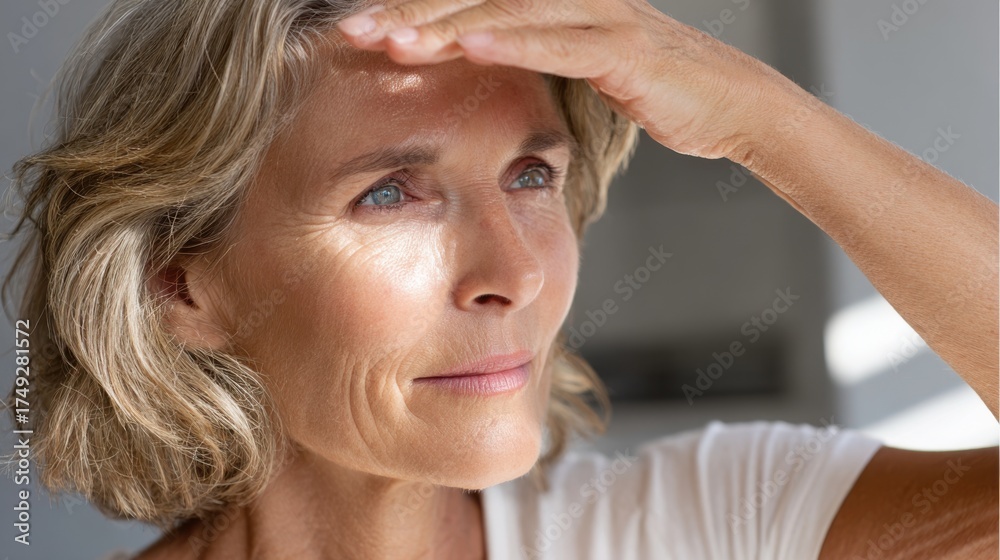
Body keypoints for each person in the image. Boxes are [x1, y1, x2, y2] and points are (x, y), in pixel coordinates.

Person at [3, 0, 996, 558]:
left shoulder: (716, 522)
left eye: (531, 176)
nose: (515, 271)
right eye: (392, 193)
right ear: (183, 289)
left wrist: (763, 120)